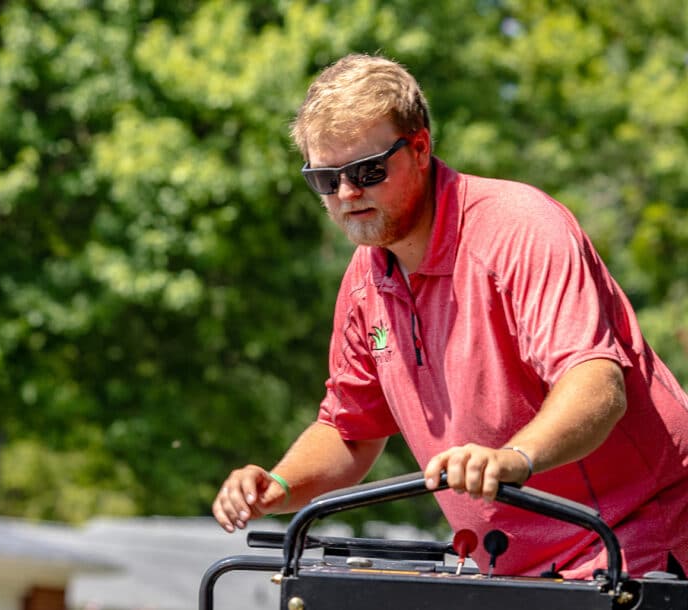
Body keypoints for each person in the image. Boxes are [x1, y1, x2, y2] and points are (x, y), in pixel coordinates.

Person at [211, 53, 688, 579]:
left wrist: (513, 458)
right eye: (325, 178)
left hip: (642, 543)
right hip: (517, 571)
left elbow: (596, 385)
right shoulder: (365, 280)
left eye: (367, 171)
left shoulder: (520, 229)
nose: (347, 193)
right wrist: (279, 487)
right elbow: (351, 432)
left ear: (420, 148)